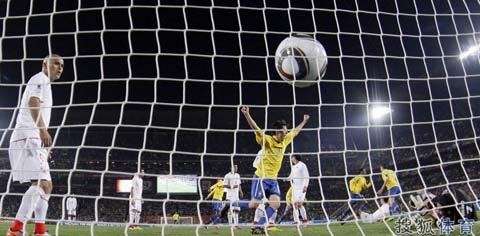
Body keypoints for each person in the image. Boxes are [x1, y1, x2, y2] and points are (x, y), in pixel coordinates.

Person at [7, 54, 64, 236]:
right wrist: (42, 130)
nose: (60, 67)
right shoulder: (40, 79)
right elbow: (33, 102)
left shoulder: (44, 83)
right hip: (28, 137)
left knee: (46, 185)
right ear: (45, 64)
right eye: (56, 63)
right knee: (43, 184)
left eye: (62, 65)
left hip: (31, 139)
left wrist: (43, 142)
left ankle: (38, 231)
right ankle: (16, 230)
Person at [241, 106, 309, 233]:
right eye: (283, 132)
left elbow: (295, 131)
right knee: (253, 205)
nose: (285, 134)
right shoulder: (268, 140)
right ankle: (230, 204)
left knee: (276, 203)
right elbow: (257, 130)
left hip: (273, 180)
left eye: (285, 132)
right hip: (261, 178)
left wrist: (304, 121)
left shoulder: (285, 140)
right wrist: (247, 115)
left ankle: (260, 225)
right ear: (277, 132)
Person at [289, 155, 310, 225]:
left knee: (299, 204)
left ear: (295, 158)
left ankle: (305, 220)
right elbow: (291, 176)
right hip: (295, 188)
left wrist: (305, 186)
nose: (291, 159)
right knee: (294, 205)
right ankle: (296, 221)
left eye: (292, 158)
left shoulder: (302, 165)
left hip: (301, 188)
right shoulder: (293, 167)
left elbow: (306, 176)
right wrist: (286, 179)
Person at [224, 164, 243, 229]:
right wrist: (232, 186)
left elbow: (239, 184)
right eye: (235, 167)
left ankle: (236, 224)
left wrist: (241, 192)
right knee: (230, 210)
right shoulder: (227, 175)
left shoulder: (238, 175)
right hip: (229, 195)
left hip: (236, 195)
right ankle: (230, 225)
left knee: (237, 210)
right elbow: (225, 185)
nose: (236, 168)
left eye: (237, 167)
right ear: (231, 168)